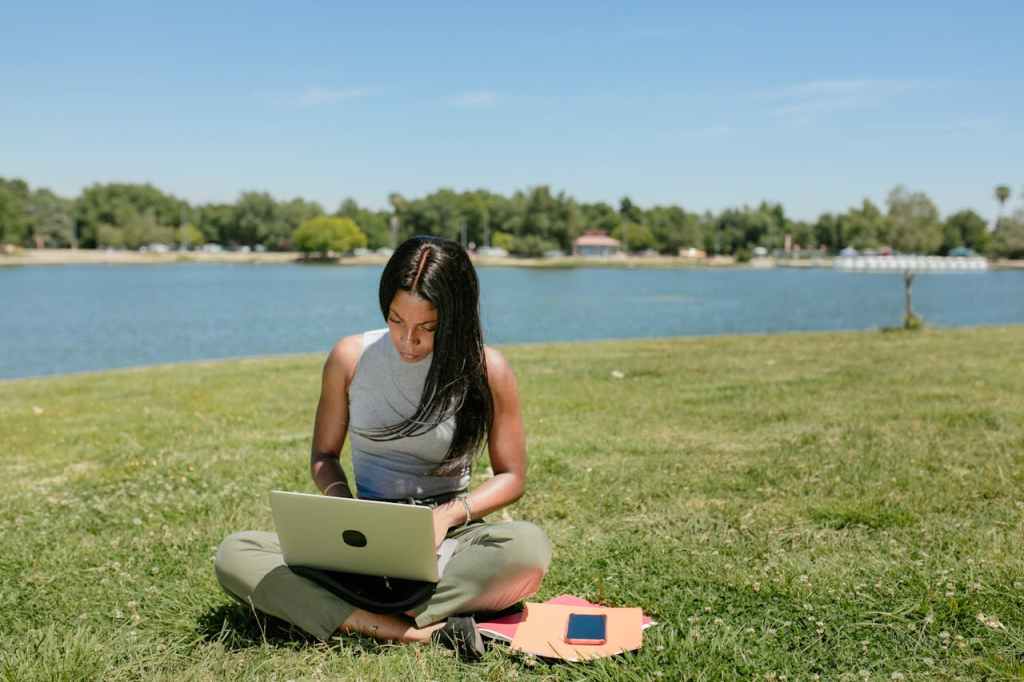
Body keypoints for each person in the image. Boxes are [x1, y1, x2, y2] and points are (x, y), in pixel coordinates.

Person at [214, 236, 551, 660]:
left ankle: (342, 611)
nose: (408, 341)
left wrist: (445, 518)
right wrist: (342, 509)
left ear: (455, 318)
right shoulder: (350, 358)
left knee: (526, 549)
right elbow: (324, 457)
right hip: (360, 538)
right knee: (235, 553)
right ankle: (413, 630)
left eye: (427, 328)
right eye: (396, 320)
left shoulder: (488, 370)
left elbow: (512, 476)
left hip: (449, 539)